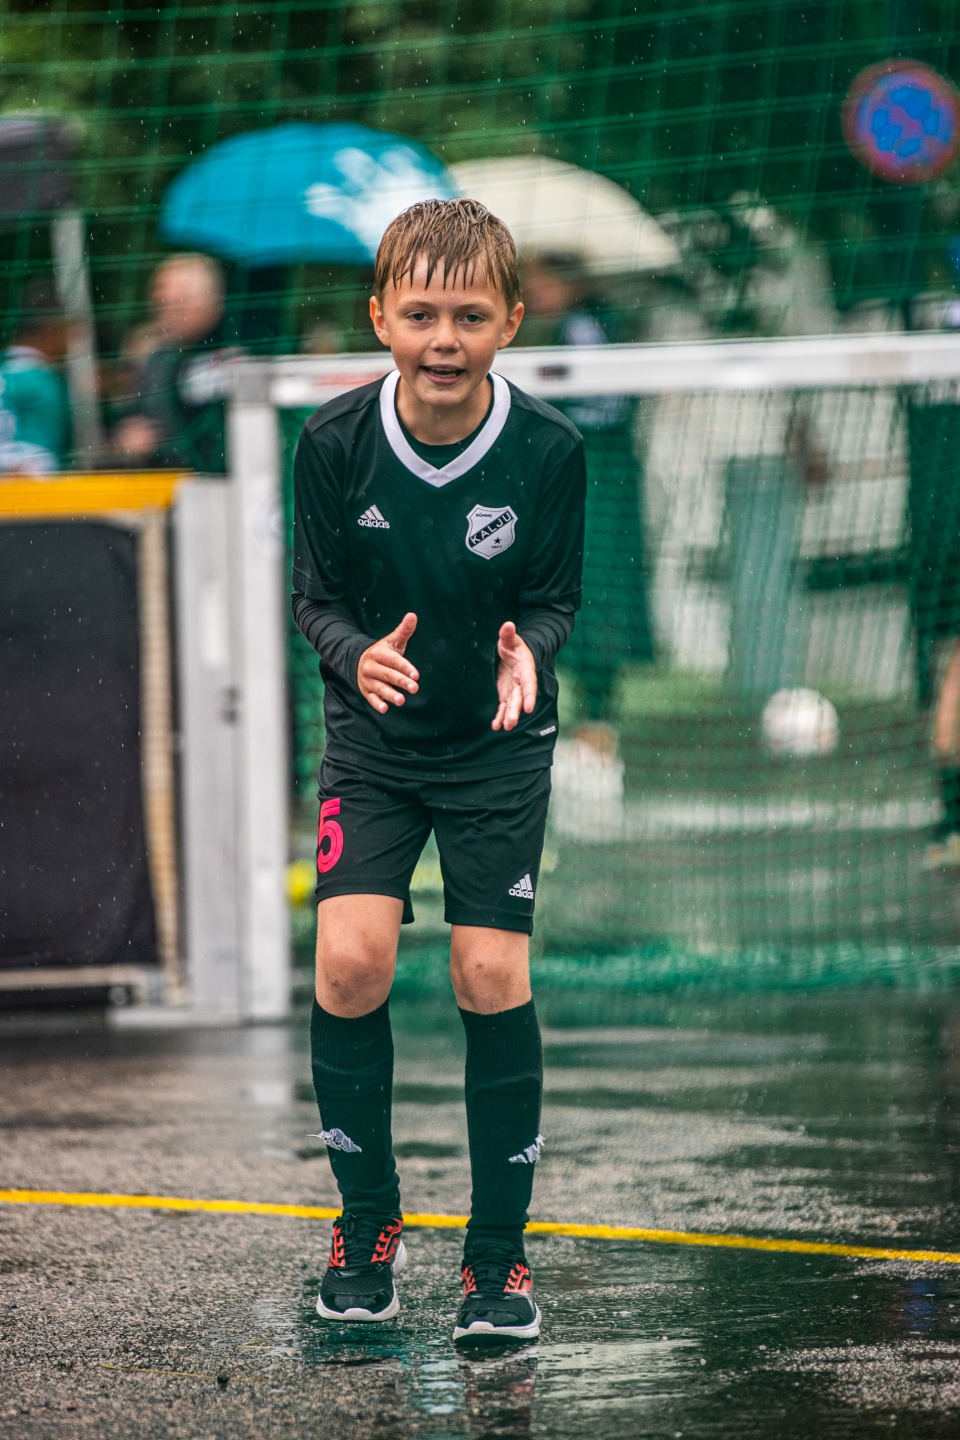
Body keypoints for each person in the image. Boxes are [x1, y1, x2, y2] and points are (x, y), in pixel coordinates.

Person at [292, 199, 586, 1340]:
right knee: (350, 963)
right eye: (421, 314)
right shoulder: (333, 443)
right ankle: (367, 1227)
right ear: (381, 318)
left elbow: (554, 598)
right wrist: (353, 653)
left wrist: (531, 653)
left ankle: (497, 1259)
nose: (444, 338)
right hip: (376, 743)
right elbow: (315, 599)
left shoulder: (550, 449)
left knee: (488, 973)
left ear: (510, 320)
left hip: (498, 744)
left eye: (469, 315)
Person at [522, 254, 654, 727]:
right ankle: (585, 707)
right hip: (588, 477)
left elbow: (603, 405)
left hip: (595, 479)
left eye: (541, 282)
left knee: (592, 587)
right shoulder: (577, 327)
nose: (533, 292)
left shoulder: (582, 327)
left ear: (569, 281)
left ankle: (596, 712)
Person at [112, 253, 232, 473]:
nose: (158, 301)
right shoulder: (158, 359)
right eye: (158, 299)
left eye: (174, 303)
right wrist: (128, 436)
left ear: (205, 302)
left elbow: (213, 441)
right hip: (165, 482)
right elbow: (135, 418)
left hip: (217, 482)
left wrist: (158, 448)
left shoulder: (231, 350)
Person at [0, 281, 71, 475]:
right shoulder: (47, 383)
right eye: (67, 331)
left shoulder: (5, 371)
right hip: (31, 484)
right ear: (52, 330)